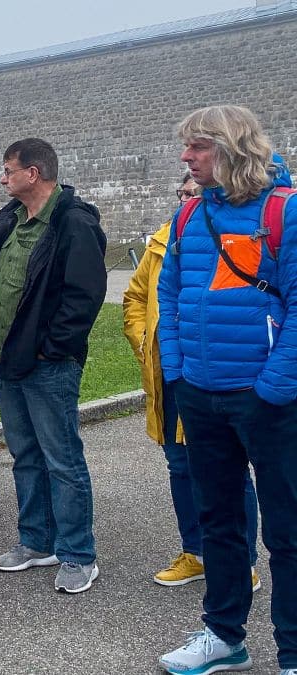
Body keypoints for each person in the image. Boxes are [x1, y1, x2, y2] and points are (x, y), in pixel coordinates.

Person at [157, 105, 297, 675]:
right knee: (218, 523)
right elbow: (168, 297)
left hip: (268, 400)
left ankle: (292, 651)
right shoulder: (190, 215)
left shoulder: (283, 212)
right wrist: (178, 371)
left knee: (288, 532)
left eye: (198, 147)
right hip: (201, 395)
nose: (187, 157)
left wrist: (272, 388)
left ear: (231, 147)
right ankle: (224, 636)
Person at [0, 138, 107, 594]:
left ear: (34, 173)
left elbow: (84, 295)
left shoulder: (73, 222)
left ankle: (77, 554)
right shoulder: (10, 221)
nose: (3, 178)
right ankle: (36, 541)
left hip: (47, 363)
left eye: (8, 170)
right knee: (25, 455)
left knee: (62, 458)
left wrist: (53, 348)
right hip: (4, 357)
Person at [122, 174, 261, 590]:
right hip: (168, 374)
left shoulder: (234, 234)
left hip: (213, 372)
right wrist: (145, 342)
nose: (183, 199)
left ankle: (243, 560)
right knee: (180, 466)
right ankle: (196, 552)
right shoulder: (164, 240)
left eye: (191, 193)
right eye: (180, 194)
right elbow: (135, 298)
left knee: (230, 471)